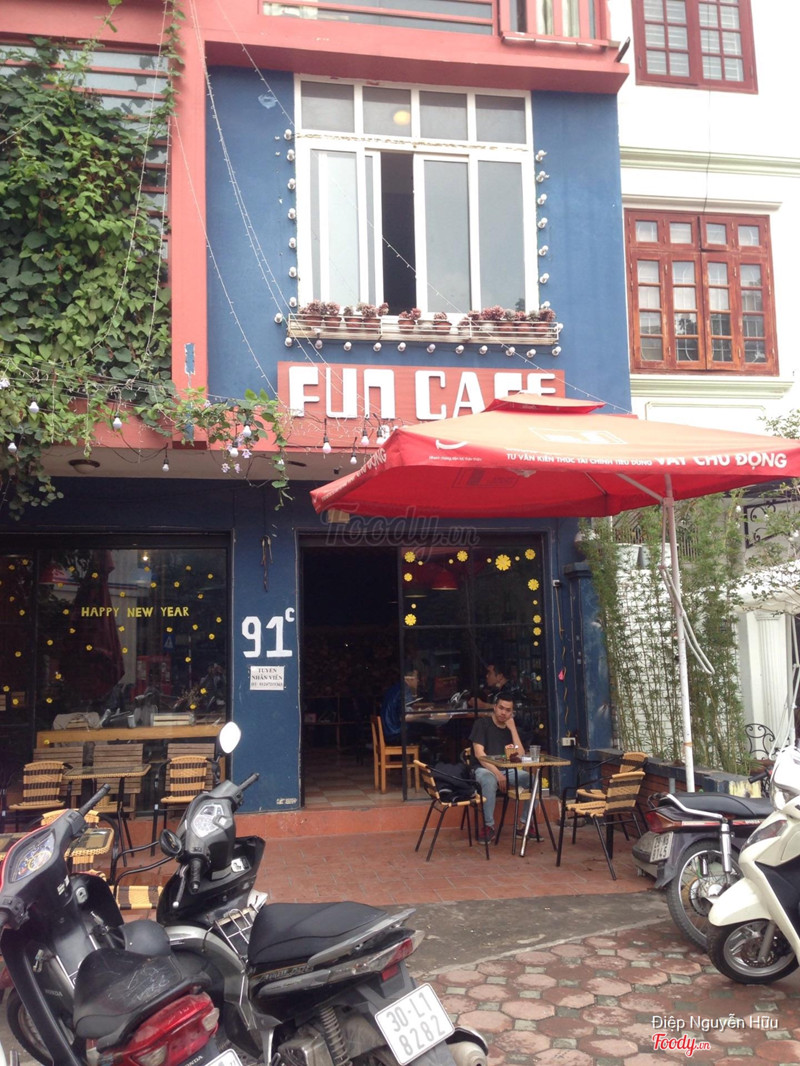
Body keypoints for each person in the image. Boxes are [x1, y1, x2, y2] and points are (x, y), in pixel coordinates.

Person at [470, 691, 534, 842]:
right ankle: (489, 826)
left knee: (533, 781)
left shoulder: (510, 729)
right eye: (501, 708)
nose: (503, 713)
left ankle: (524, 824)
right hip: (483, 768)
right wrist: (498, 774)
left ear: (512, 713)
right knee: (489, 780)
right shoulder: (482, 724)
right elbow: (479, 755)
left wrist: (513, 729)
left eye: (507, 710)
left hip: (507, 770)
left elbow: (520, 755)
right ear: (495, 707)